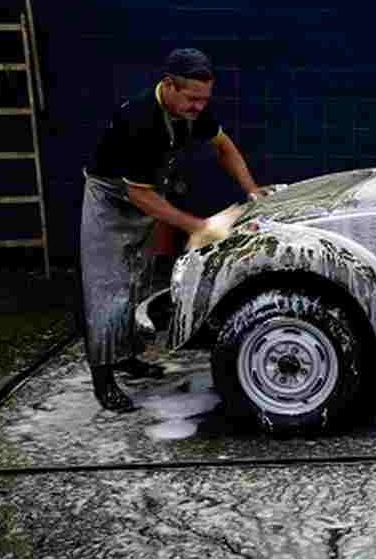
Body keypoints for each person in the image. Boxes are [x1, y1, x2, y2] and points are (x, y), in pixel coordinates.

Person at [80, 48, 262, 412]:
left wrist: (252, 190)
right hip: (111, 201)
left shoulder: (191, 109)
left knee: (137, 283)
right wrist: (199, 226)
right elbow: (137, 194)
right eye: (193, 98)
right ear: (168, 85)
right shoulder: (139, 119)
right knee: (107, 289)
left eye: (204, 99)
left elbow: (225, 149)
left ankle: (127, 357)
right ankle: (103, 379)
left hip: (148, 195)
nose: (199, 106)